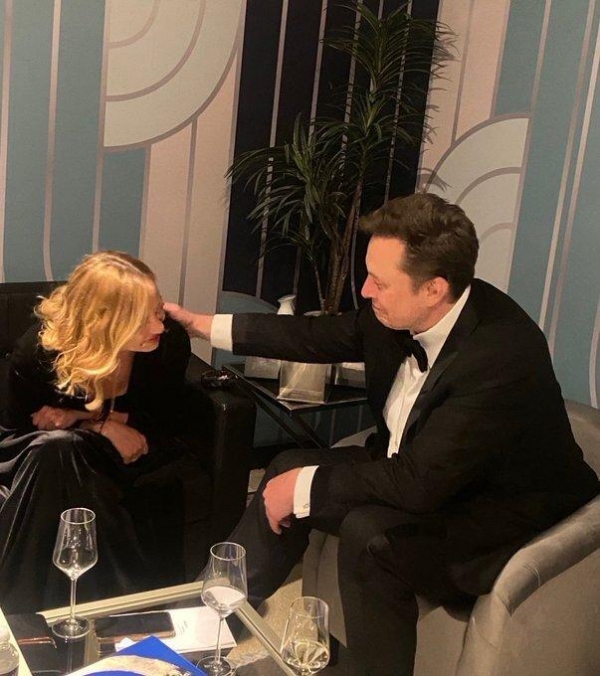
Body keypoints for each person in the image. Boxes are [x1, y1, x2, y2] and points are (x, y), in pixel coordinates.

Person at [166, 193, 599, 676]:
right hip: (422, 467)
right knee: (288, 466)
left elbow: (419, 484)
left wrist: (304, 489)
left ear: (433, 289)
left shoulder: (501, 355)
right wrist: (202, 326)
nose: (366, 290)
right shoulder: (401, 311)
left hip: (496, 505)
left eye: (380, 281)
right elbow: (317, 336)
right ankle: (200, 631)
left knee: (369, 535)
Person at [0, 251, 198, 613]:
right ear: (104, 320)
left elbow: (164, 427)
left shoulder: (167, 347)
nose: (158, 326)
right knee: (58, 450)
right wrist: (100, 424)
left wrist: (76, 417)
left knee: (61, 449)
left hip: (135, 456)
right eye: (142, 319)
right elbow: (14, 438)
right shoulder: (40, 353)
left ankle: (19, 614)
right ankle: (121, 610)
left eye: (158, 311)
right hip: (43, 463)